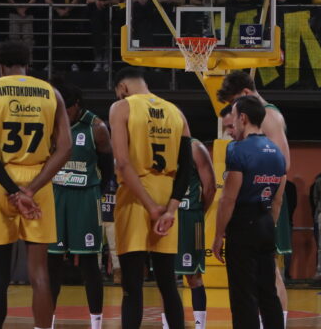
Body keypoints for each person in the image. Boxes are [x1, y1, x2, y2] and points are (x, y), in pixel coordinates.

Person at [0, 41, 71, 329]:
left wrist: (14, 190)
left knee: (0, 277)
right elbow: (65, 149)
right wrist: (31, 188)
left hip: (1, 181)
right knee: (40, 274)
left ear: (0, 66)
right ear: (27, 65)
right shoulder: (52, 93)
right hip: (39, 180)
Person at [110, 67, 195, 329]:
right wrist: (169, 209)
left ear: (122, 87)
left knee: (131, 285)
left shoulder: (121, 107)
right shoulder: (176, 112)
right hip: (167, 193)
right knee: (168, 282)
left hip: (136, 194)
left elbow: (123, 163)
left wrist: (150, 207)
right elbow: (186, 167)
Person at [215, 71, 293, 320]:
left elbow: (284, 166)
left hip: (264, 200)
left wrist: (271, 213)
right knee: (266, 278)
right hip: (266, 204)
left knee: (266, 279)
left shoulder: (268, 116)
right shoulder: (265, 117)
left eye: (234, 104)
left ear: (246, 94)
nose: (232, 113)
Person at [48, 82, 113, 329]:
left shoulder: (96, 127)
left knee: (89, 264)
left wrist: (96, 190)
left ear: (76, 105)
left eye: (66, 108)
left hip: (85, 197)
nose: (62, 113)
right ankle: (47, 321)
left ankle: (96, 323)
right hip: (56, 195)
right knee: (52, 263)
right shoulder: (51, 124)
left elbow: (107, 168)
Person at [167, 133, 214, 329]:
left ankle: (199, 326)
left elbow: (210, 187)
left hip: (189, 216)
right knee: (166, 278)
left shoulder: (195, 147)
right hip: (167, 216)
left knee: (193, 277)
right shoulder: (161, 143)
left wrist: (198, 211)